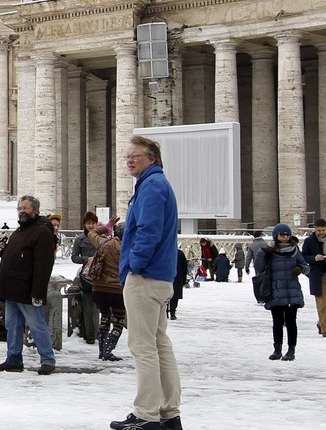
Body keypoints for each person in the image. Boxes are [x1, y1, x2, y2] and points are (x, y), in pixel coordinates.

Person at [111, 136, 181, 430]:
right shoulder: (155, 184)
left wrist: (134, 267)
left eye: (135, 156)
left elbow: (148, 232)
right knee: (159, 343)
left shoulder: (152, 186)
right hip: (159, 276)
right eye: (127, 156)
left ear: (152, 158)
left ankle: (146, 414)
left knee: (142, 346)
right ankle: (169, 411)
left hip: (146, 276)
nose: (129, 160)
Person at [0, 195, 57, 376]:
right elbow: (16, 256)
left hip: (27, 289)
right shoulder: (20, 231)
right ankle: (13, 359)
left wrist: (38, 291)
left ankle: (47, 360)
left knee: (36, 325)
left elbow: (44, 265)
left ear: (35, 210)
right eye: (20, 208)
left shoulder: (42, 231)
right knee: (12, 325)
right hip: (12, 288)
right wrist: (1, 250)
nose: (22, 211)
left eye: (26, 208)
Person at [255, 223, 309, 362]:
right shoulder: (270, 251)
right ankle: (277, 349)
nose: (285, 238)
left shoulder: (295, 250)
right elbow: (259, 267)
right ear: (276, 236)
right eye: (282, 235)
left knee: (291, 322)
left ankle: (291, 350)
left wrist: (300, 269)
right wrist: (262, 252)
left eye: (287, 235)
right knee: (277, 322)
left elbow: (305, 266)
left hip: (292, 291)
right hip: (276, 290)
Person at [88, 221, 126, 362]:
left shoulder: (103, 243)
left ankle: (101, 350)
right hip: (118, 290)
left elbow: (92, 233)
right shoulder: (129, 248)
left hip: (99, 288)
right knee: (118, 321)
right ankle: (107, 350)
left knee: (104, 317)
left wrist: (107, 225)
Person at [71, 211, 101, 345]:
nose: (91, 226)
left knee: (100, 307)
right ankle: (90, 335)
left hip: (100, 276)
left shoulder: (101, 238)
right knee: (88, 307)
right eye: (88, 223)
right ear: (84, 224)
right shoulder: (79, 240)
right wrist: (86, 259)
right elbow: (74, 257)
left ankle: (100, 332)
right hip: (86, 277)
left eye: (93, 223)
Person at [168, 248, 187, 320]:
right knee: (175, 296)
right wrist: (184, 280)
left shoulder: (166, 252)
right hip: (178, 277)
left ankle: (165, 312)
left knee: (165, 296)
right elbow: (185, 267)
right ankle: (172, 313)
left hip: (167, 277)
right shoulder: (180, 253)